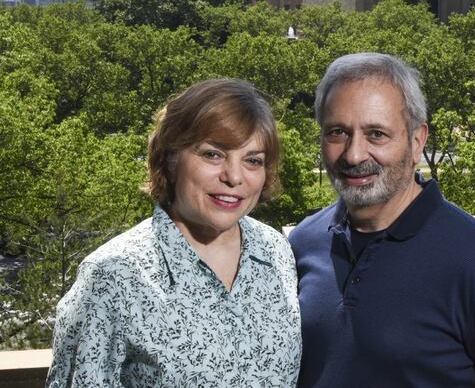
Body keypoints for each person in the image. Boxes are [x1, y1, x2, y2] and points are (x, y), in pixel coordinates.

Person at [289, 53, 475, 388]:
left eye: (376, 134)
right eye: (337, 132)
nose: (354, 154)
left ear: (416, 141)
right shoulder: (303, 243)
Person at [47, 79, 301, 387]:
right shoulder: (114, 275)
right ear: (170, 158)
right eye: (213, 154)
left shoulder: (276, 250)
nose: (234, 177)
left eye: (253, 160)